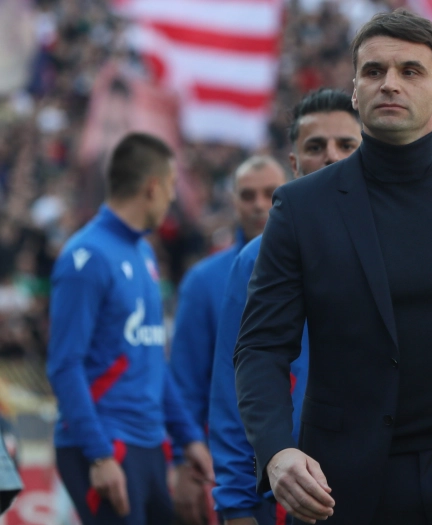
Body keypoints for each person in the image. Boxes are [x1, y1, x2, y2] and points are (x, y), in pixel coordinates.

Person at [233, 9, 432, 525]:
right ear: (355, 89)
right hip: (344, 477)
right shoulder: (300, 208)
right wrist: (277, 451)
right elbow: (261, 346)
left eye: (410, 71)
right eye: (374, 71)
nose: (390, 83)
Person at [209, 88, 362, 525]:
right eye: (316, 146)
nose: (331, 156)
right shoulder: (255, 261)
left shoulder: (403, 247)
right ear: (294, 164)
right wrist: (237, 503)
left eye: (346, 144)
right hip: (297, 491)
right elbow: (232, 391)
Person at [47, 133, 213, 524]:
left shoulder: (142, 252)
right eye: (171, 186)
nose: (172, 198)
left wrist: (188, 436)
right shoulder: (86, 257)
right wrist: (99, 455)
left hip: (149, 443)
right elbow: (64, 365)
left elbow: (151, 359)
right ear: (152, 187)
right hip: (105, 444)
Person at [170, 155, 288, 525]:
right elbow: (187, 380)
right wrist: (183, 461)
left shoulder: (323, 266)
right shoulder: (203, 282)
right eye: (247, 195)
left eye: (270, 194)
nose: (259, 205)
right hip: (236, 467)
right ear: (233, 201)